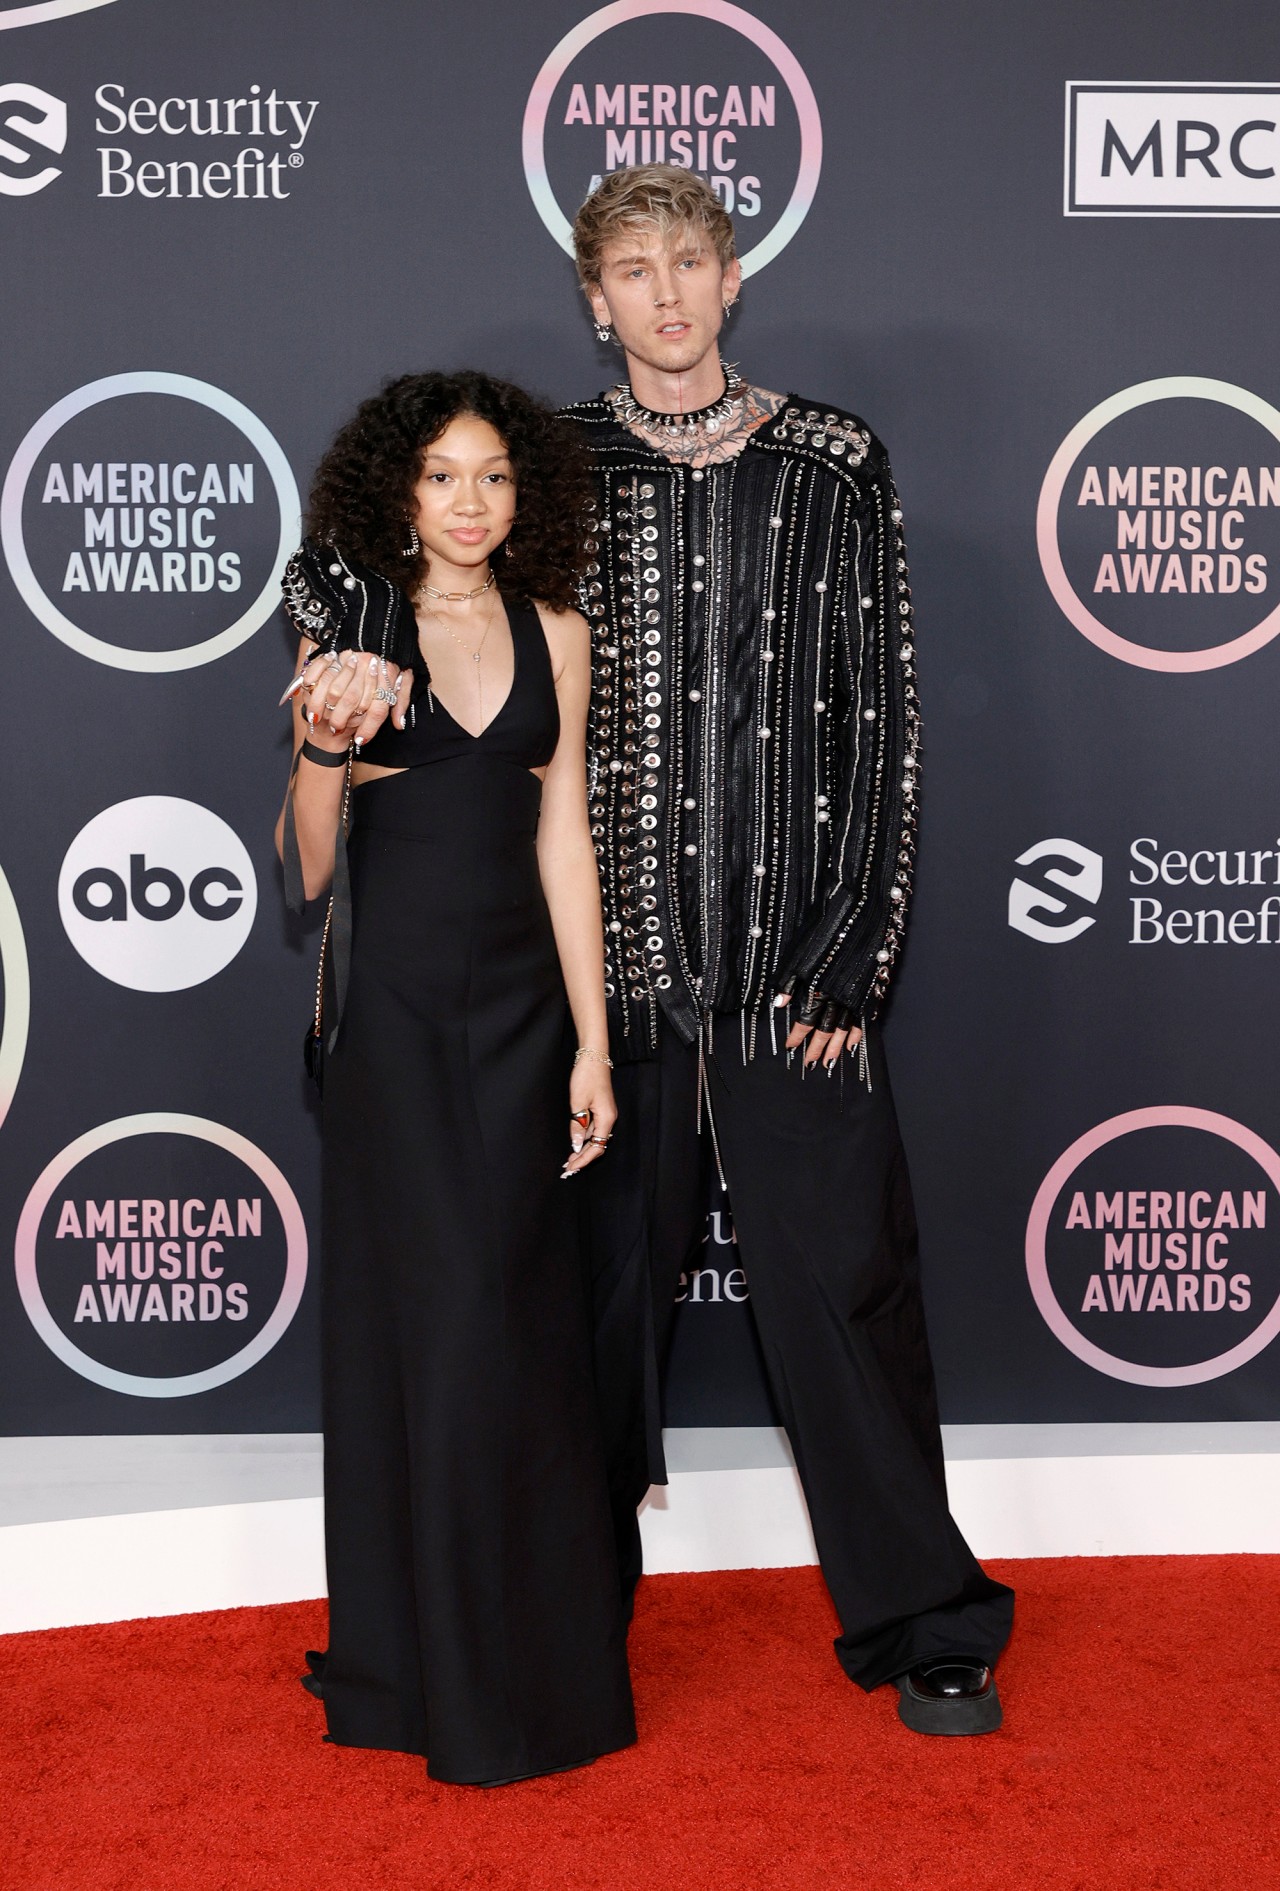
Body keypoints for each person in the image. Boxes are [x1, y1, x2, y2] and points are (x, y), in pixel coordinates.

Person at [316, 171, 1014, 1737]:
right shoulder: (549, 471)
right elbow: (494, 706)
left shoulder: (836, 462)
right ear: (594, 297)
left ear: (735, 277)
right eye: (634, 269)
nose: (668, 293)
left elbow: (881, 715)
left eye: (692, 261)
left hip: (790, 976)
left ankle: (924, 1616)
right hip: (604, 983)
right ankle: (564, 1615)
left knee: (848, 1293)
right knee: (584, 1319)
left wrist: (854, 952)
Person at [274, 370, 635, 1785]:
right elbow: (302, 869)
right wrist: (324, 741)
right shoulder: (352, 629)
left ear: (524, 490)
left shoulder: (561, 630)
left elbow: (565, 845)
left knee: (522, 1333)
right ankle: (430, 1675)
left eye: (493, 476)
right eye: (441, 476)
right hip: (400, 1021)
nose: (470, 502)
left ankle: (530, 1664)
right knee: (441, 1332)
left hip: (529, 1019)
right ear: (396, 491)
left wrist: (594, 1041)